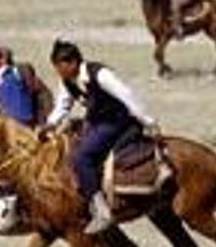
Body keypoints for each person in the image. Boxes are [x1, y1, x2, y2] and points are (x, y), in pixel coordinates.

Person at [41, 39, 159, 234]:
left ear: (72, 63)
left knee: (82, 157)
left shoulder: (101, 74)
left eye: (59, 67)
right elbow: (63, 105)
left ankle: (102, 211)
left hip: (118, 122)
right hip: (97, 123)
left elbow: (127, 96)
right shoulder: (67, 81)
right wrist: (50, 124)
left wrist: (148, 121)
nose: (58, 73)